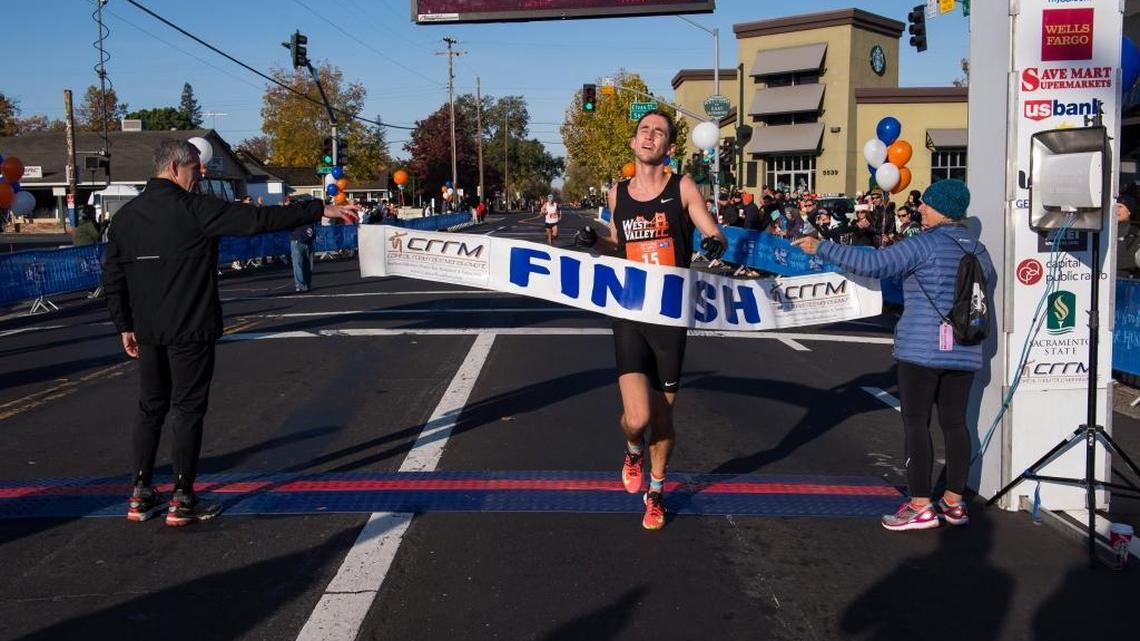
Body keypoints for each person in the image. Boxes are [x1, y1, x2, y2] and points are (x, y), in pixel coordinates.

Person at [102, 139, 358, 527]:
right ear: (175, 169)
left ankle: (140, 492)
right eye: (195, 169)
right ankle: (183, 497)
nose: (201, 174)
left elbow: (114, 275)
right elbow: (259, 221)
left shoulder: (126, 217)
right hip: (190, 324)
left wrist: (124, 324)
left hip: (148, 327)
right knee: (187, 409)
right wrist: (319, 208)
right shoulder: (194, 209)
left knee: (150, 407)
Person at [793, 178, 996, 532]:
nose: (920, 209)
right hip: (966, 349)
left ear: (943, 210)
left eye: (927, 205)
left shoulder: (924, 244)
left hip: (921, 349)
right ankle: (954, 502)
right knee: (956, 424)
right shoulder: (979, 250)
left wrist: (822, 248)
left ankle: (920, 505)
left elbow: (875, 264)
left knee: (917, 424)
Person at [573, 110, 725, 530]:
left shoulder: (683, 187)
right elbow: (618, 243)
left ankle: (655, 492)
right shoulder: (617, 193)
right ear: (633, 142)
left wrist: (714, 244)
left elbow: (714, 232)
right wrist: (594, 240)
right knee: (637, 419)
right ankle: (631, 448)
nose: (649, 136)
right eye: (644, 130)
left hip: (670, 316)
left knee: (663, 418)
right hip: (630, 310)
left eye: (659, 132)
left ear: (669, 148)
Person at [1117, 194, 1140, 278]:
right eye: (1114, 206)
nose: (1116, 209)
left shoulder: (1135, 232)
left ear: (1129, 211)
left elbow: (1132, 260)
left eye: (1120, 206)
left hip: (1124, 279)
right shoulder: (1104, 230)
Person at [291, 222, 316, 292]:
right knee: (298, 264)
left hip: (309, 241)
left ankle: (307, 284)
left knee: (309, 265)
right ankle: (300, 285)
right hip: (297, 240)